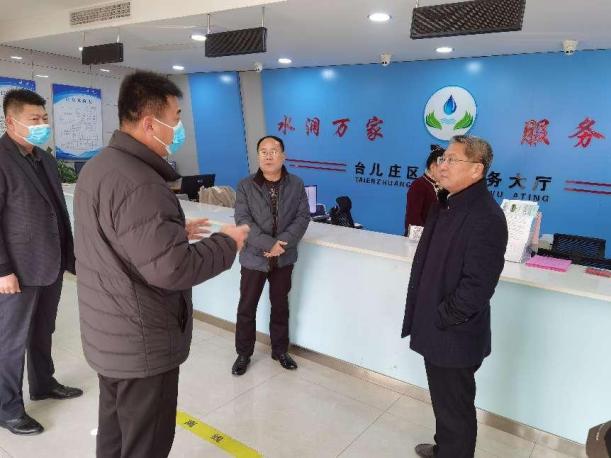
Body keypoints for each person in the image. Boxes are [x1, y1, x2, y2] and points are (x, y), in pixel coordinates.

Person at [73, 71, 249, 458]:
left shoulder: (100, 168)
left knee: (115, 435)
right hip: (142, 342)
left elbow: (115, 237)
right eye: (176, 118)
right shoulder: (141, 182)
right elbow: (173, 269)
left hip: (109, 333)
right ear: (151, 123)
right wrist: (227, 242)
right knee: (146, 444)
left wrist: (170, 231)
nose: (179, 128)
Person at [401, 136, 508, 458]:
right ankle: (444, 448)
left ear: (476, 170)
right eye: (442, 159)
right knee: (444, 400)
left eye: (452, 160)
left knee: (456, 408)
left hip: (453, 333)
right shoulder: (446, 203)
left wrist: (443, 317)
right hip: (437, 328)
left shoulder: (486, 217)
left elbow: (478, 286)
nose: (442, 165)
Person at [0, 89, 82, 436]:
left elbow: (56, 212)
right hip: (16, 270)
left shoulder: (44, 158)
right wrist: (3, 270)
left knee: (42, 330)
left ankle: (44, 383)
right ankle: (7, 409)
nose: (42, 125)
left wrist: (71, 257)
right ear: (10, 121)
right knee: (11, 340)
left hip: (50, 262)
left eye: (44, 118)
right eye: (34, 119)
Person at [231, 135, 310, 376]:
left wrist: (281, 245)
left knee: (280, 305)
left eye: (273, 151)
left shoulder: (296, 184)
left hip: (283, 258)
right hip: (254, 257)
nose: (268, 155)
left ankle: (280, 350)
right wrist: (270, 244)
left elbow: (302, 217)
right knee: (247, 307)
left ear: (283, 156)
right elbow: (243, 221)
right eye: (263, 151)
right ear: (258, 156)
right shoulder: (245, 186)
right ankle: (243, 353)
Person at [404, 144, 444, 236]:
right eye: (443, 170)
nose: (446, 172)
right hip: (419, 239)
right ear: (433, 167)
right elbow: (413, 218)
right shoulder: (419, 185)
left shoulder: (444, 186)